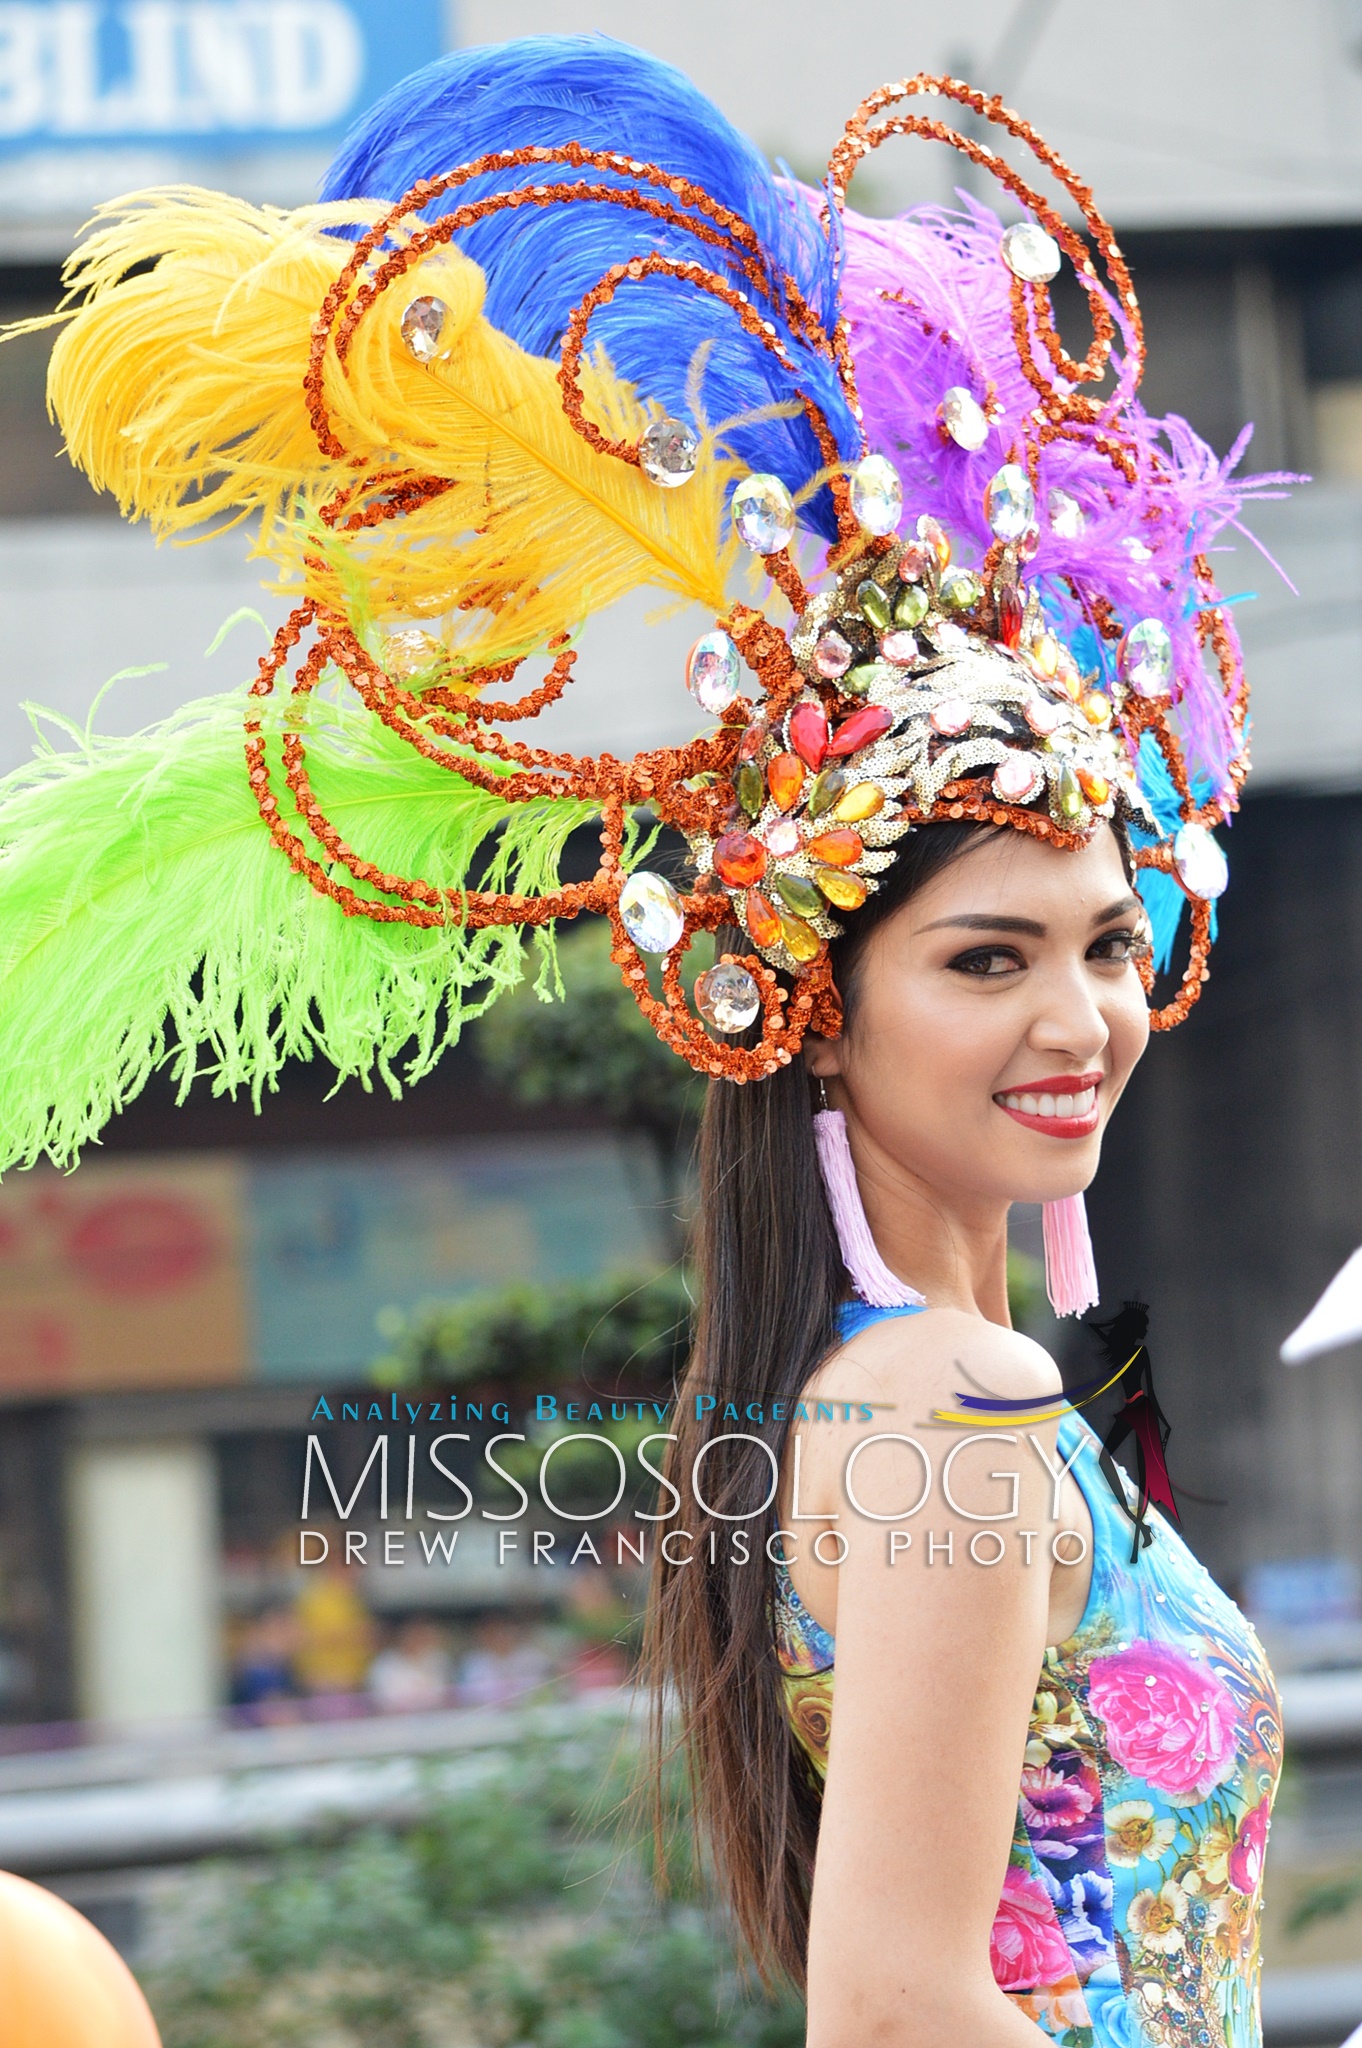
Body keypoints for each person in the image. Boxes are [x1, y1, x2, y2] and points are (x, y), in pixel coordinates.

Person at [0, 36, 1286, 2048]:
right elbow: (894, 2004)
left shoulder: (911, 1382)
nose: (1080, 1015)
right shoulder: (946, 1394)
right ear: (814, 1016)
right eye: (984, 959)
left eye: (1108, 941)